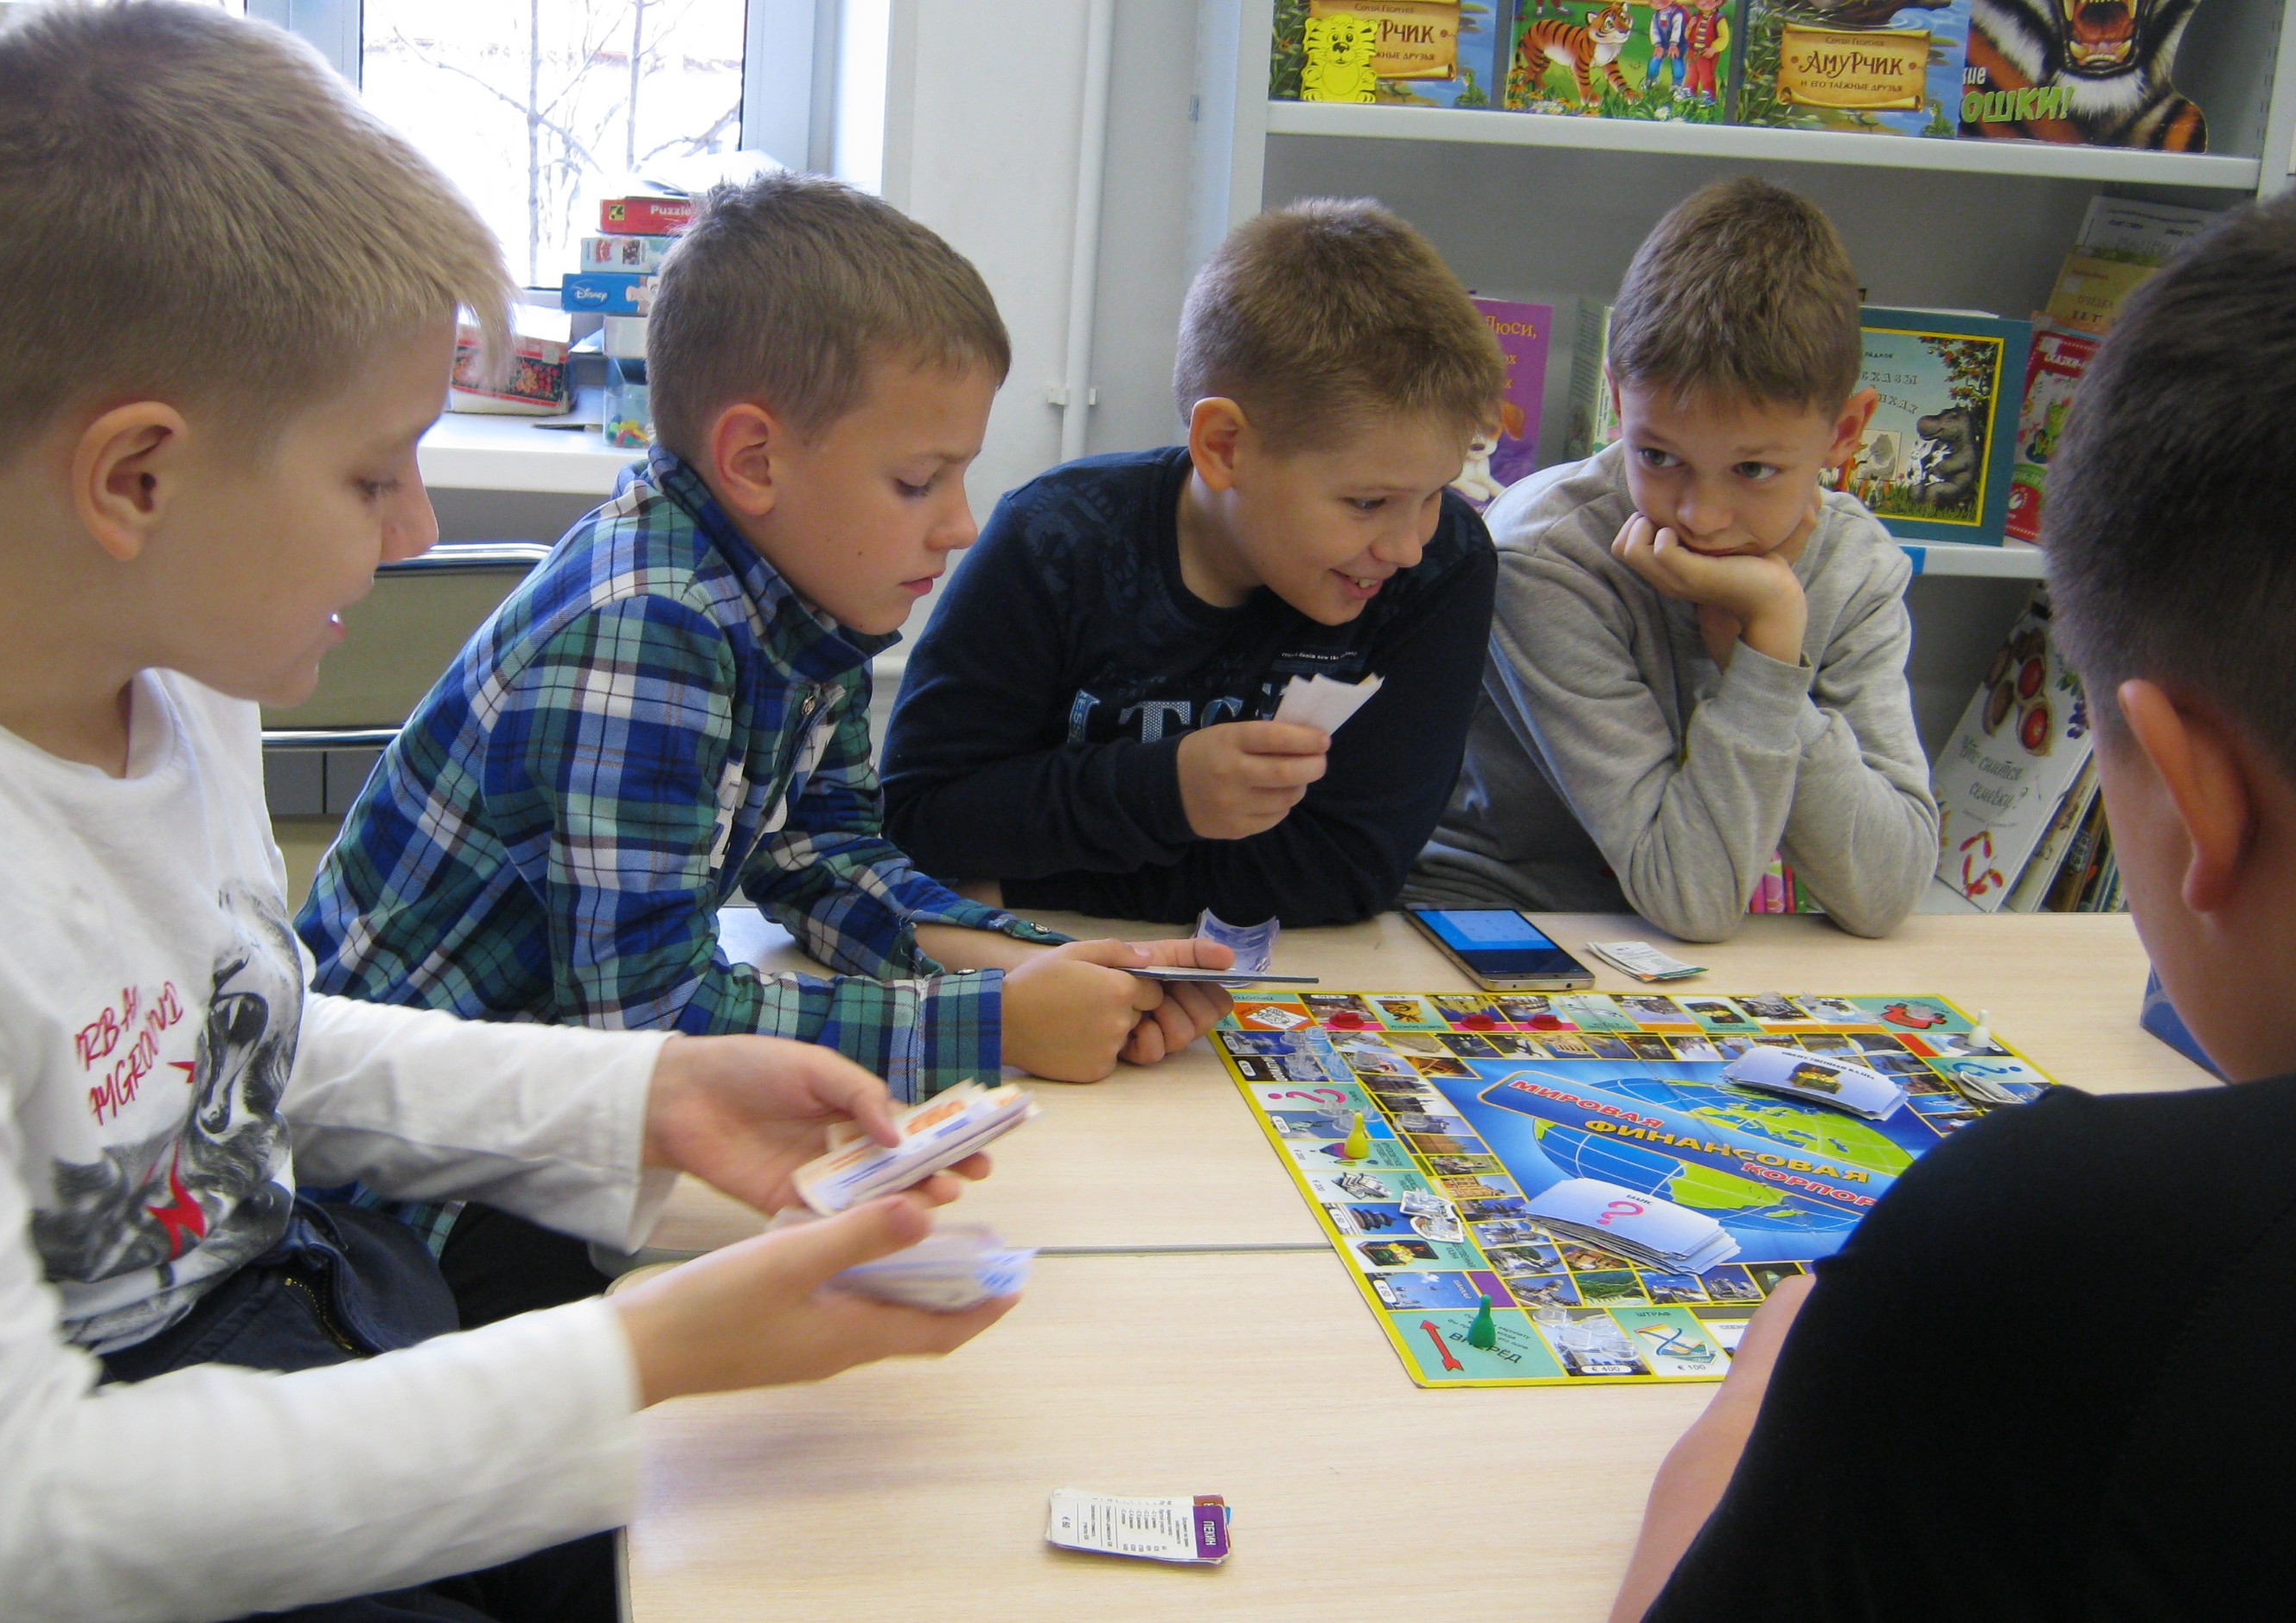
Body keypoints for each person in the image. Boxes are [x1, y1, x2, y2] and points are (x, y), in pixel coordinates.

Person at [0, 10, 1010, 1622]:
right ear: (135, 480)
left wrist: (645, 1096)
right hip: (105, 1495)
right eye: (371, 474)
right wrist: (634, 1354)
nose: (414, 527)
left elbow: (232, 1047)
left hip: (291, 1305)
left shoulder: (163, 665)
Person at [299, 174, 1230, 1315]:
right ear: (753, 460)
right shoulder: (648, 629)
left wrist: (1038, 966)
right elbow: (650, 1029)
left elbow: (822, 855)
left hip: (540, 1120)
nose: (961, 522)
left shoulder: (799, 596)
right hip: (399, 1195)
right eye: (918, 479)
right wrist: (991, 1024)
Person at [1611, 194, 2296, 1619]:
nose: (1698, 510)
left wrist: (1749, 1423)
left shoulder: (2035, 1249)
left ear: (2193, 796)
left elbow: (1872, 879)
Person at [879, 199, 1504, 927]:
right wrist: (1166, 790)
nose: (1406, 546)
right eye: (1367, 502)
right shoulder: (1055, 541)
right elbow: (921, 818)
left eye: (1435, 494)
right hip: (1038, 955)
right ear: (1224, 447)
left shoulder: (1444, 565)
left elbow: (1346, 871)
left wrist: (1019, 885)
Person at [1404, 178, 1935, 942]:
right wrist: (1768, 648)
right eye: (1658, 455)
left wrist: (1760, 654)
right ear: (1618, 402)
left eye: (1754, 469)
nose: (1700, 516)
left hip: (1690, 947)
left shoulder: (1857, 563)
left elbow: (1886, 892)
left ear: (1845, 434)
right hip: (1499, 916)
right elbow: (1692, 896)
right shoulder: (1546, 554)